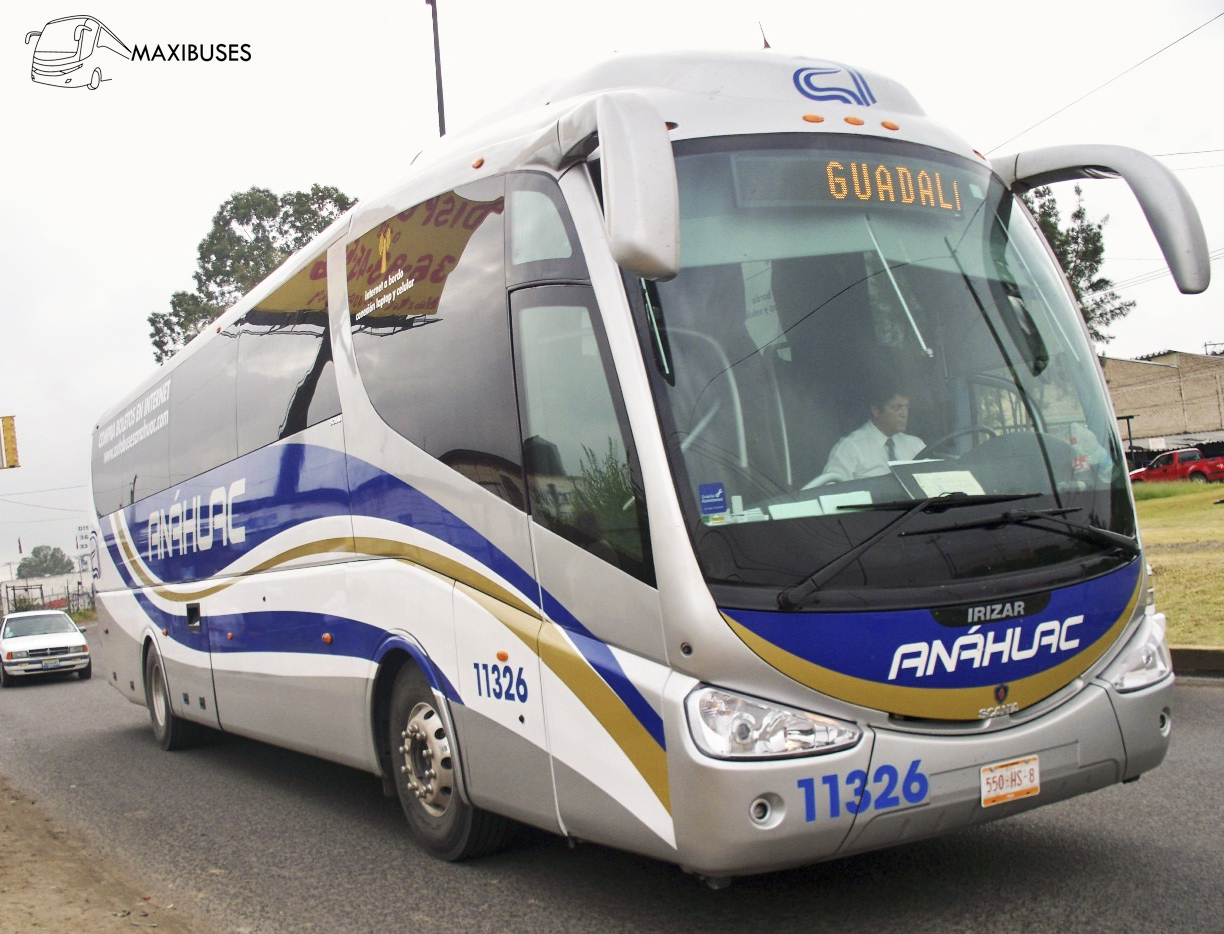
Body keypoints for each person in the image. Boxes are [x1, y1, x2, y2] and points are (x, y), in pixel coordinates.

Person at [823, 387, 924, 480]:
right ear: (876, 410)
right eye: (897, 408)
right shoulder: (850, 448)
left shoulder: (915, 445)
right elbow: (832, 491)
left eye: (906, 407)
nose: (904, 414)